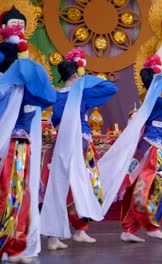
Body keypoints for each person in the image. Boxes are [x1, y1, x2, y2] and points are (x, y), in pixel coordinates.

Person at [95, 55, 162, 243]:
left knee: (142, 187)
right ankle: (150, 225)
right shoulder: (157, 101)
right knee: (161, 186)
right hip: (151, 149)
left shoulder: (152, 101)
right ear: (158, 82)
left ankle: (130, 228)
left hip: (149, 147)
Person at [40, 48, 118, 250]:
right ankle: (80, 230)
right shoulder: (82, 95)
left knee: (57, 189)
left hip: (60, 145)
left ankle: (53, 237)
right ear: (76, 74)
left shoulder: (55, 97)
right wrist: (86, 79)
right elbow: (111, 88)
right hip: (81, 144)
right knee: (91, 185)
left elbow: (54, 120)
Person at [0, 36, 57, 263]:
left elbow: (49, 96)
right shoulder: (6, 88)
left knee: (19, 194)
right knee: (11, 193)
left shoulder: (24, 90)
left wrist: (25, 70)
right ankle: (9, 247)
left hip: (21, 147)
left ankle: (13, 246)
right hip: (12, 147)